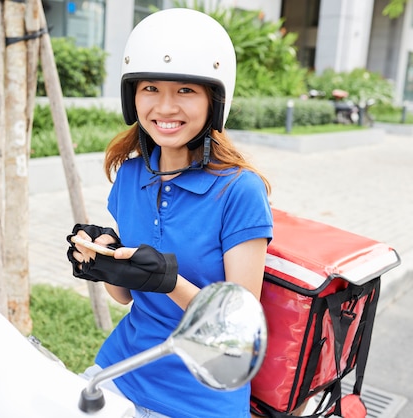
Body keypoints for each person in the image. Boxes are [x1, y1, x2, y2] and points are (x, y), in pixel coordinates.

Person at [66, 8, 273, 418]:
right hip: (123, 368)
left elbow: (234, 333)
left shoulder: (239, 190)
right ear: (132, 96)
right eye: (150, 88)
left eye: (185, 91)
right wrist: (105, 262)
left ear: (214, 99)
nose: (164, 107)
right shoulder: (130, 174)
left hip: (200, 393)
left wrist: (169, 281)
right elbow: (125, 297)